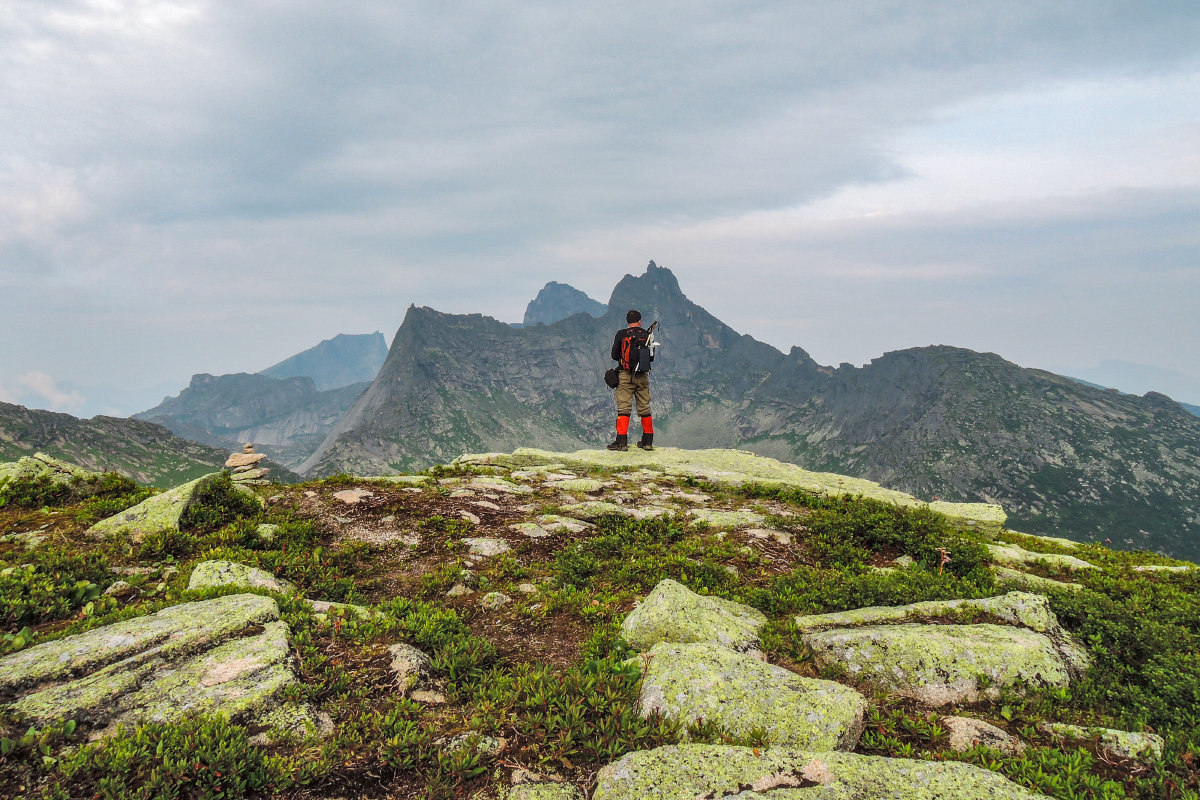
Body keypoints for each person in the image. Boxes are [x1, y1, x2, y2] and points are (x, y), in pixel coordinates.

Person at [607, 309, 654, 451]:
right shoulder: (647, 335)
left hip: (626, 375)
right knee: (644, 407)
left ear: (628, 321)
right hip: (643, 376)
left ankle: (621, 442)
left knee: (623, 408)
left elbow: (614, 355)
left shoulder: (622, 334)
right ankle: (647, 441)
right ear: (640, 321)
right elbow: (650, 357)